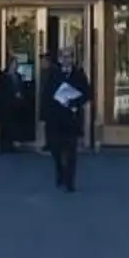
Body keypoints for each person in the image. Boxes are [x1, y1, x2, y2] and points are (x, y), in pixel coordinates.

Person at [41, 45, 91, 192]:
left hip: (72, 119)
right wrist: (46, 115)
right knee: (56, 151)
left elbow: (87, 94)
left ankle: (70, 182)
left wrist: (74, 102)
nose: (66, 60)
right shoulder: (54, 74)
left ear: (73, 59)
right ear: (60, 59)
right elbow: (47, 95)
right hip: (56, 119)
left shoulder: (79, 74)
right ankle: (60, 173)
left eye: (69, 57)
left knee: (71, 152)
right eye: (64, 57)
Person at [0, 55, 31, 153]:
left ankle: (11, 144)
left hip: (15, 105)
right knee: (4, 125)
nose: (15, 66)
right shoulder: (1, 76)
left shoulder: (18, 76)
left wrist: (21, 97)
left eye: (16, 64)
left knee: (13, 125)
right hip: (3, 104)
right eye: (13, 64)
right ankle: (3, 145)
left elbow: (21, 88)